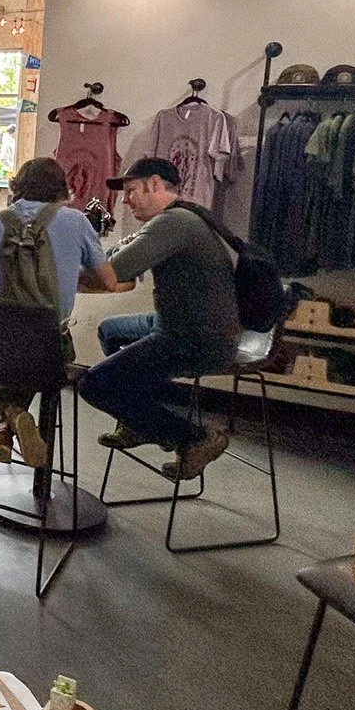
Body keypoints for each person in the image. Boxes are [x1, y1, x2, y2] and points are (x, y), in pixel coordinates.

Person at [75, 156, 243, 478]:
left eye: (131, 191)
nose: (126, 201)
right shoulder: (184, 216)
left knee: (93, 384)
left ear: (154, 184)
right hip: (189, 326)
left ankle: (195, 438)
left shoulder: (173, 223)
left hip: (195, 339)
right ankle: (136, 420)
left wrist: (66, 266)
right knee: (111, 332)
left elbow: (113, 272)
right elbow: (117, 264)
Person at [0, 157, 116, 467]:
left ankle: (8, 422)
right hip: (44, 353)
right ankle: (11, 419)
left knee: (3, 351)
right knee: (35, 345)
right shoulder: (76, 222)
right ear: (61, 190)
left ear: (16, 188)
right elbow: (108, 281)